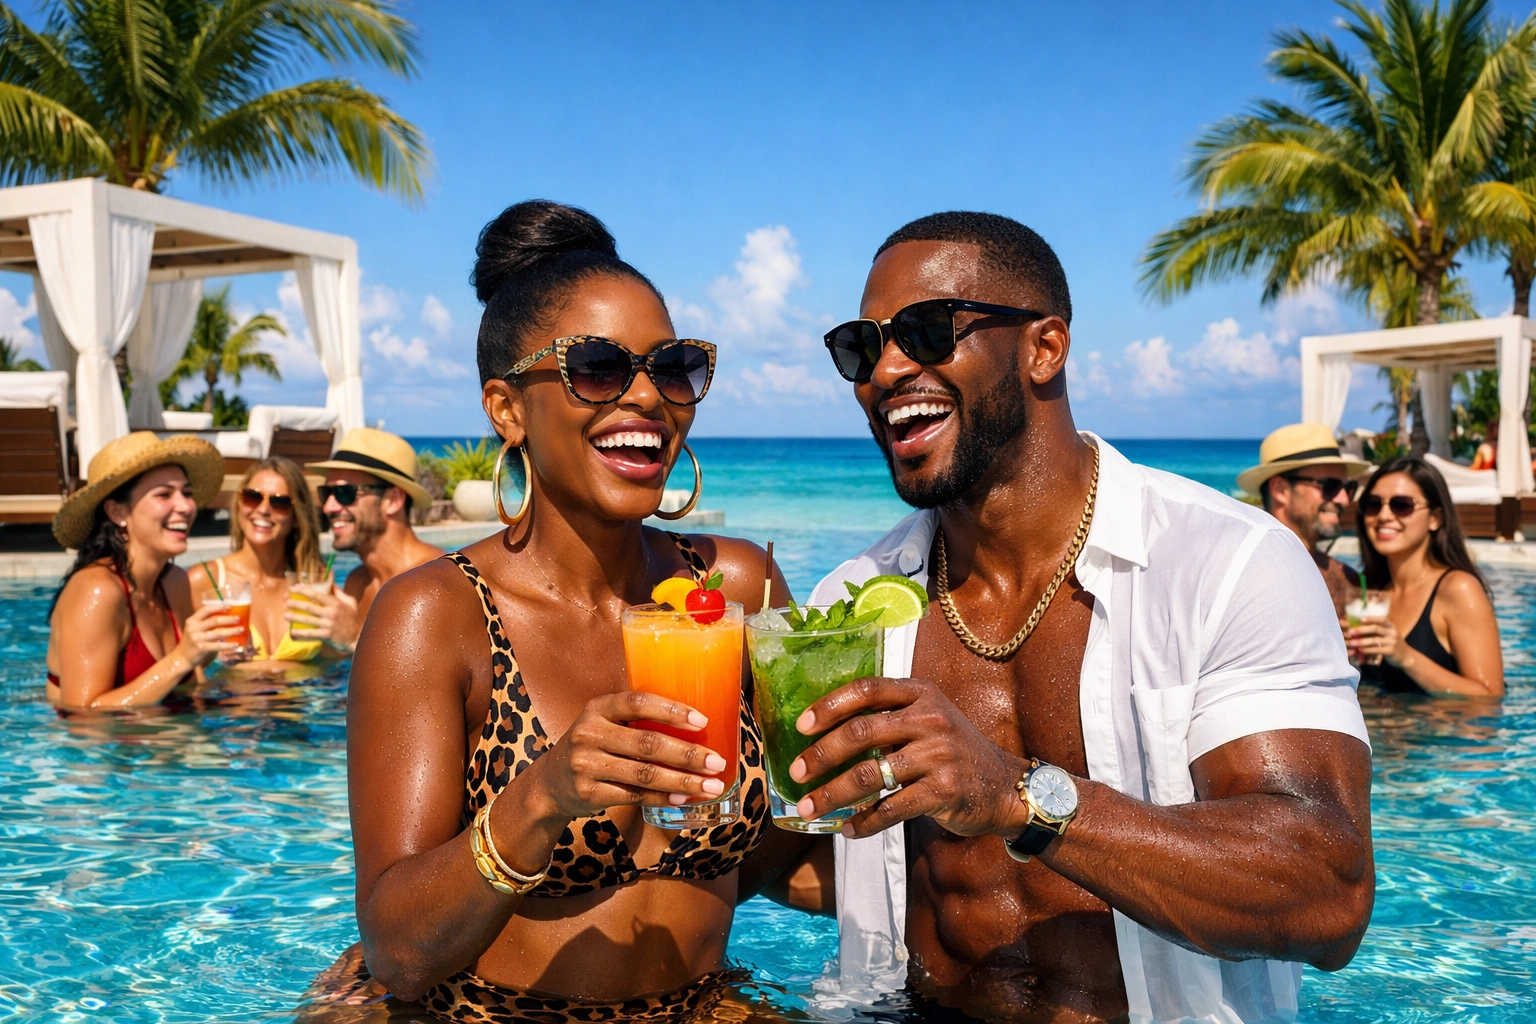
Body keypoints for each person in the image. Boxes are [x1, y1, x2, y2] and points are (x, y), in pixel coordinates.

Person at [800, 212, 1374, 1023]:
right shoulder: (851, 605)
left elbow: (1327, 891)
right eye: (862, 348)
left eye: (927, 331)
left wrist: (1018, 799)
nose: (886, 369)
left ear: (1044, 347)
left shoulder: (1229, 563)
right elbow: (802, 856)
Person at [314, 201, 820, 1019]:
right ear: (507, 408)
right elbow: (399, 952)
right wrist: (540, 799)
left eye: (674, 366)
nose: (649, 397)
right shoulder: (436, 616)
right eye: (597, 368)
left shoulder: (736, 586)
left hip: (707, 1005)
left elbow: (779, 845)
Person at [45, 432, 240, 709]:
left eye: (187, 493)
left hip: (162, 740)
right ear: (117, 513)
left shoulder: (174, 581)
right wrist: (182, 658)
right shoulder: (97, 590)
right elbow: (83, 717)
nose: (185, 506)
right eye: (164, 494)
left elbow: (190, 683)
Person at [1347, 457, 1503, 697]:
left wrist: (1404, 656)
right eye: (1373, 504)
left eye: (1401, 505)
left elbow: (1489, 697)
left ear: (1435, 518)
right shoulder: (1369, 592)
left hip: (1442, 733)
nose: (1384, 516)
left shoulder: (1458, 589)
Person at [189, 457, 352, 670]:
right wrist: (209, 655)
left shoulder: (313, 579)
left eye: (279, 503)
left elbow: (337, 659)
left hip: (306, 700)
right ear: (239, 504)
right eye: (252, 497)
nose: (264, 509)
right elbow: (185, 668)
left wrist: (348, 638)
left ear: (296, 516)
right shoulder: (204, 579)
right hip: (233, 700)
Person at [298, 428, 443, 635]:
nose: (329, 507)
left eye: (344, 492)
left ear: (392, 500)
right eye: (326, 493)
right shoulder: (357, 583)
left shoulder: (434, 581)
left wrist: (350, 639)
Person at [1238, 422, 1370, 619]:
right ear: (1280, 489)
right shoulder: (1240, 574)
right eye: (1330, 486)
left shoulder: (1348, 580)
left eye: (1348, 488)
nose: (1343, 499)